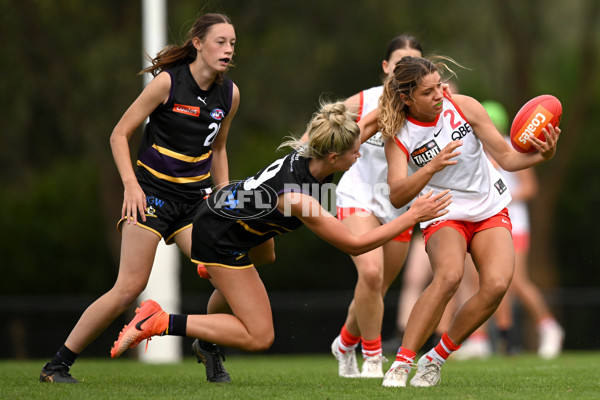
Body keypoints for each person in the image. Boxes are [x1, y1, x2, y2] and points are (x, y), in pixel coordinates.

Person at [108, 101, 453, 380]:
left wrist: (403, 98)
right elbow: (354, 244)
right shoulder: (298, 198)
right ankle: (159, 320)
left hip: (233, 218)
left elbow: (365, 126)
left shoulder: (316, 148)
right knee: (260, 337)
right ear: (333, 158)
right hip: (220, 233)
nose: (359, 155)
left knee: (267, 258)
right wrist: (411, 216)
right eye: (354, 153)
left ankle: (219, 281)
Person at [39, 13, 241, 384]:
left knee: (229, 275)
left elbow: (220, 148)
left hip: (194, 201)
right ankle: (57, 366)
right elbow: (119, 134)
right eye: (220, 42)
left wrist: (223, 197)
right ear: (197, 43)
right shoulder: (167, 83)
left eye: (232, 43)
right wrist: (131, 186)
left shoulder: (230, 94)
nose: (228, 50)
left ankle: (208, 346)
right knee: (128, 288)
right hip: (151, 197)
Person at [358, 55, 561, 388]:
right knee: (449, 276)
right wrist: (430, 167)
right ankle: (402, 363)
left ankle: (436, 358)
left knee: (497, 284)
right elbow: (396, 194)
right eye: (428, 92)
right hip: (444, 210)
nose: (439, 94)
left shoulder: (464, 106)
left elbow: (508, 158)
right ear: (407, 98)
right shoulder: (399, 133)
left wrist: (544, 154)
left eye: (439, 85)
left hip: (488, 207)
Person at [329, 34, 424, 379]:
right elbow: (323, 133)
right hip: (358, 198)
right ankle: (372, 357)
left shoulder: (427, 107)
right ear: (386, 66)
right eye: (400, 61)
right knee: (370, 274)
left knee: (376, 288)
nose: (405, 68)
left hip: (399, 207)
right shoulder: (366, 99)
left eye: (413, 62)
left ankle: (344, 342)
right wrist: (296, 173)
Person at [455, 101, 564, 360]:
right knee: (476, 280)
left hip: (513, 222)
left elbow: (529, 188)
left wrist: (500, 196)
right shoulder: (475, 147)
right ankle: (479, 340)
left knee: (517, 281)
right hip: (484, 221)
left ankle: (549, 327)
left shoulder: (512, 146)